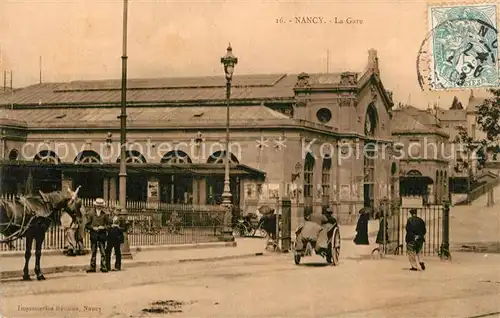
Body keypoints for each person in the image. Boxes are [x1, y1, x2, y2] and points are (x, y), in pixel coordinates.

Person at [85, 198, 111, 273]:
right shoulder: (91, 214)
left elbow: (109, 224)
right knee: (93, 252)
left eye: (100, 206)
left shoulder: (105, 214)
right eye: (98, 205)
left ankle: (103, 267)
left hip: (102, 235)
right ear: (95, 205)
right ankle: (92, 267)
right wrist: (93, 228)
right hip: (94, 235)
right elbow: (87, 225)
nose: (99, 207)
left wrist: (103, 227)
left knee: (103, 252)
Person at [106, 204, 126, 271]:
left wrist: (118, 227)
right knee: (108, 251)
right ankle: (107, 266)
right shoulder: (110, 217)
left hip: (117, 237)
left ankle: (117, 266)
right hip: (110, 236)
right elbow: (107, 225)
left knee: (117, 251)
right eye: (116, 210)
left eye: (119, 210)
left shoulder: (122, 218)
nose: (117, 211)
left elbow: (124, 228)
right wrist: (110, 226)